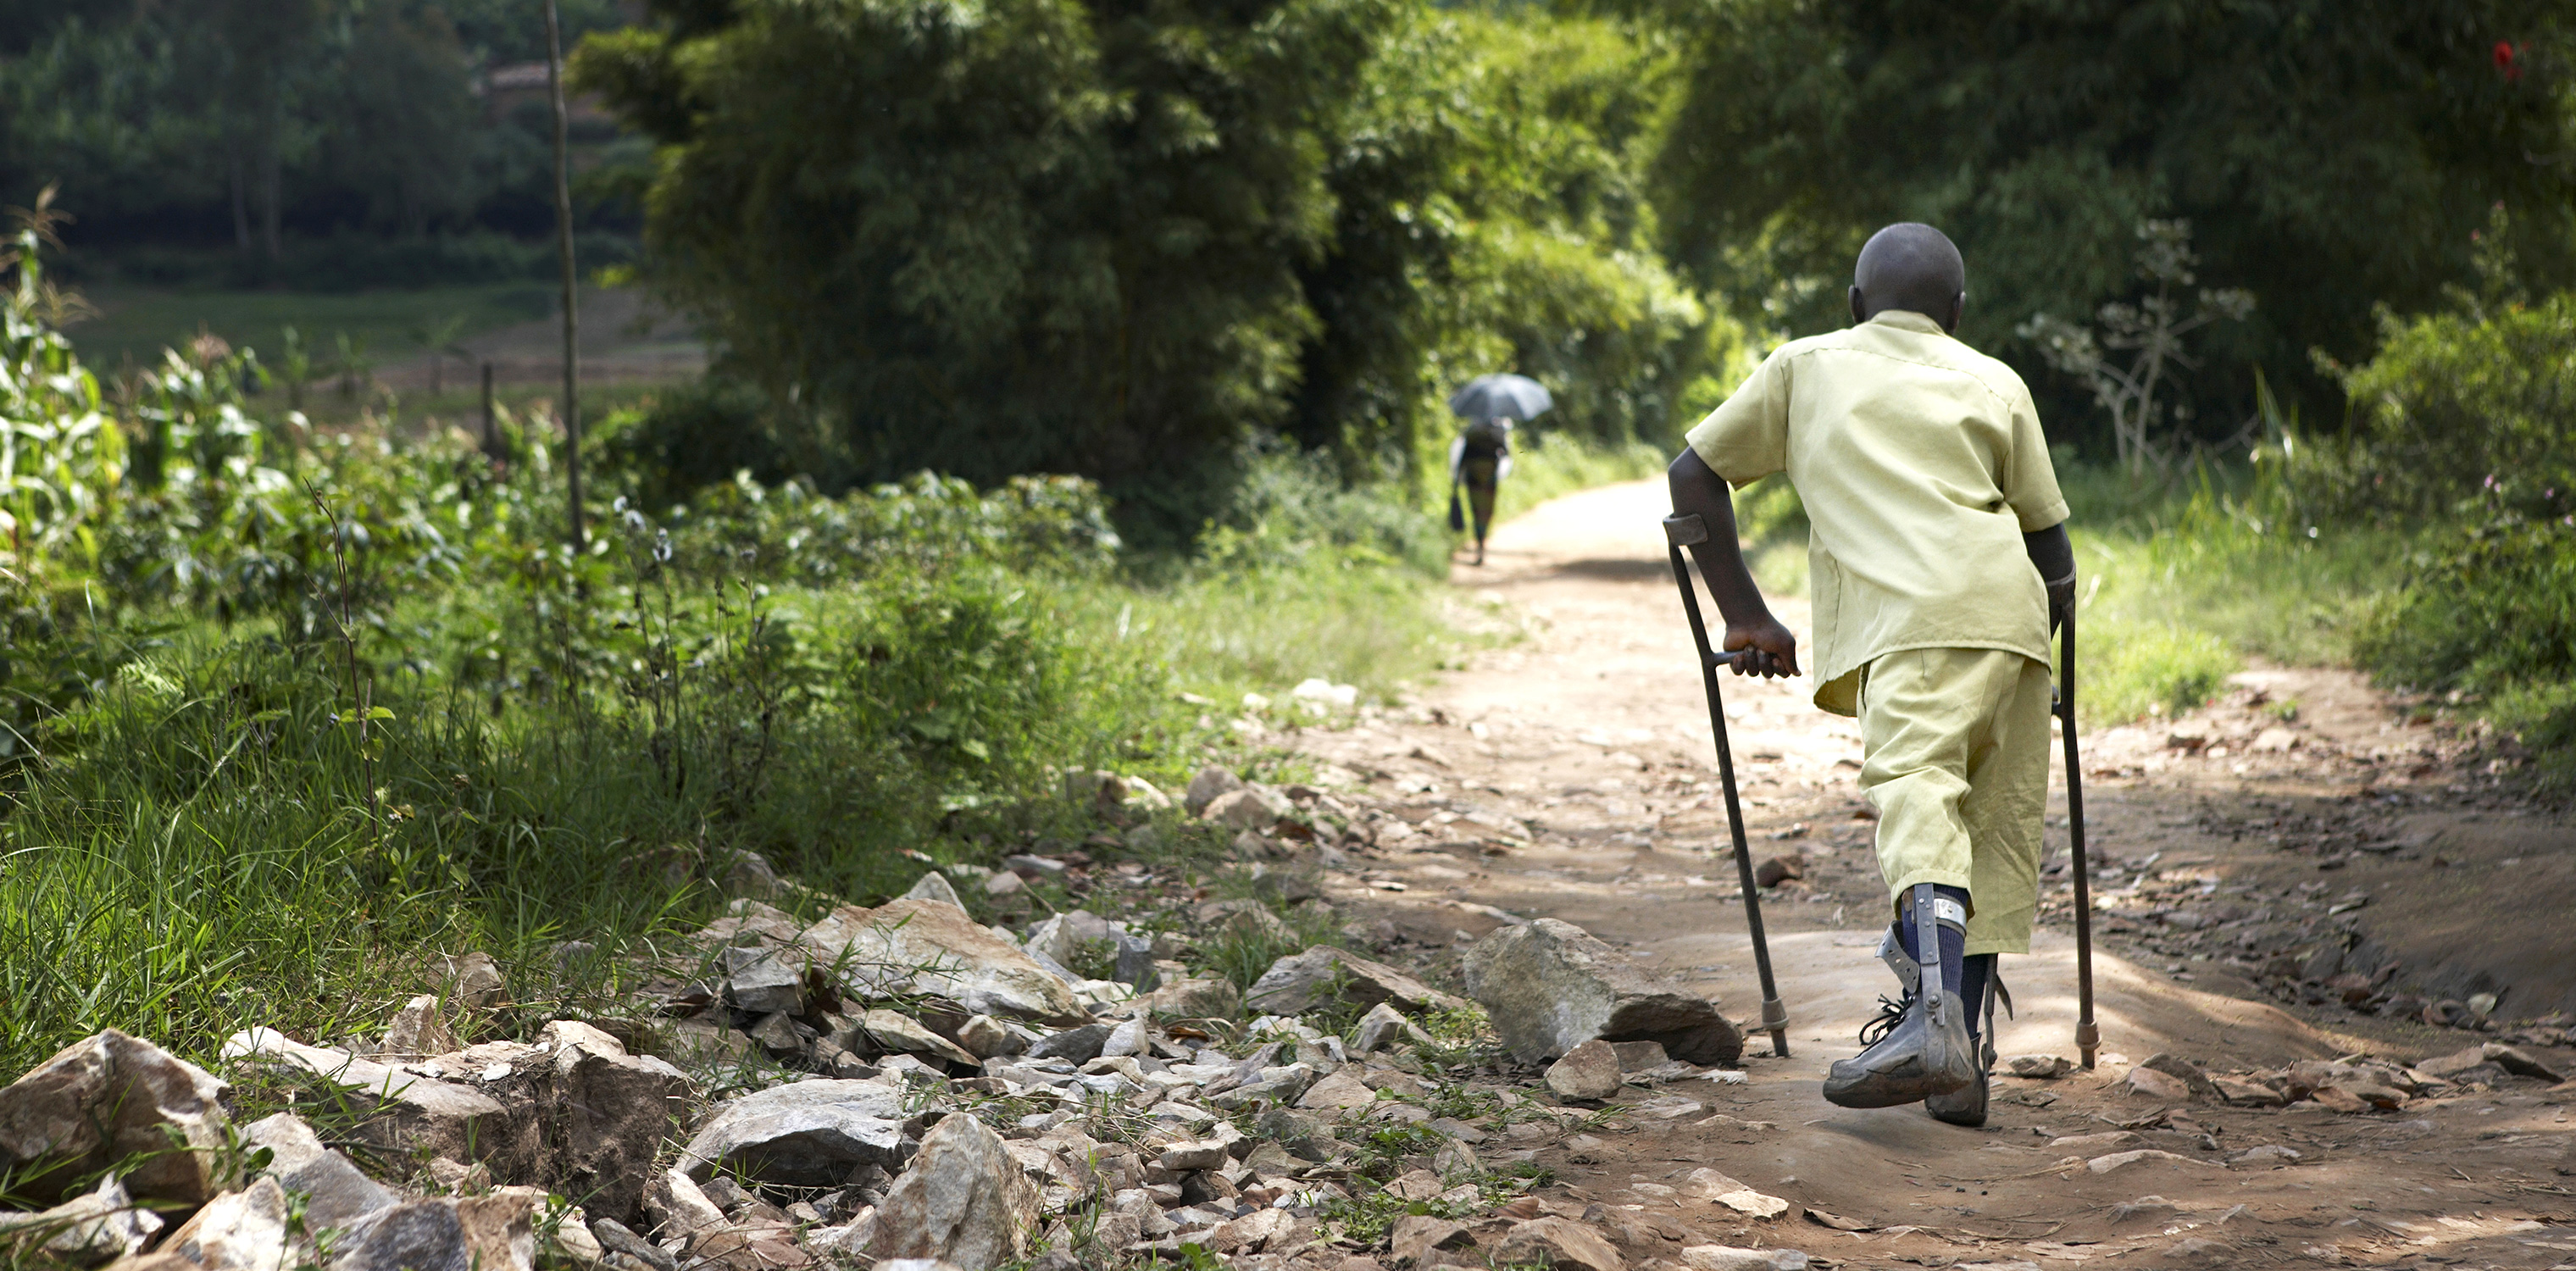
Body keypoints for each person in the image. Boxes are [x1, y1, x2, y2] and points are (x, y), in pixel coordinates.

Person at [1663, 223, 2078, 1126]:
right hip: (2013, 620)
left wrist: (1744, 613)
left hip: (1911, 622)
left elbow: (1693, 475)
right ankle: (1960, 1055)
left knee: (1917, 789)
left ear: (1854, 305)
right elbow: (2050, 541)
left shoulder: (1804, 365)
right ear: (1957, 312)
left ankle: (1929, 1020)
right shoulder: (1993, 379)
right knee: (1990, 825)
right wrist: (2053, 662)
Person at [1449, 415, 1513, 565]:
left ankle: (1480, 545)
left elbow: (1463, 458)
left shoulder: (1472, 431)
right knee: (1486, 512)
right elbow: (1506, 454)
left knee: (1476, 511)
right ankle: (1481, 545)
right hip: (1488, 479)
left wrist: (1456, 480)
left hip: (1474, 480)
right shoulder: (1498, 432)